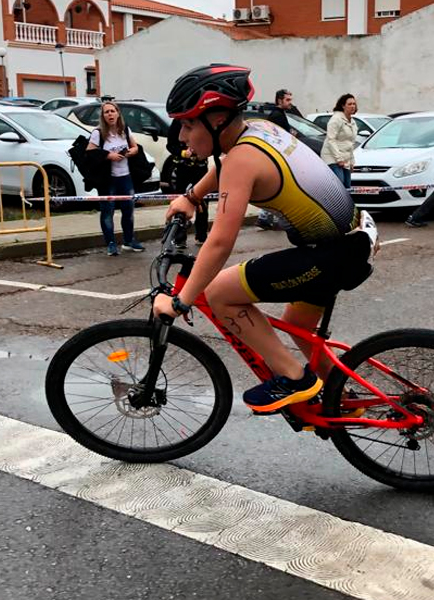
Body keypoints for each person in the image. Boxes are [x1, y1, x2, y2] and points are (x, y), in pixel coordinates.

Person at [153, 64, 376, 414]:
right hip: (353, 237)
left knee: (219, 294)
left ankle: (294, 378)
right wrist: (192, 196)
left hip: (332, 253)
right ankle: (341, 400)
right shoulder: (258, 128)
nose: (182, 135)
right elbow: (223, 166)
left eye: (189, 124)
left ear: (218, 119)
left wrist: (181, 300)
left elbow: (219, 242)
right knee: (300, 327)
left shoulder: (243, 159)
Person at [86, 101, 145, 256]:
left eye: (112, 111)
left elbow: (135, 147)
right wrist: (108, 155)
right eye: (107, 112)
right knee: (107, 211)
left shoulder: (125, 130)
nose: (110, 114)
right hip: (108, 179)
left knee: (128, 210)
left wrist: (132, 151)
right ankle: (111, 243)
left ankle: (129, 240)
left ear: (118, 113)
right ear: (103, 116)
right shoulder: (98, 133)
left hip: (125, 176)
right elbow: (90, 152)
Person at [163, 118, 210, 242]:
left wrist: (203, 151)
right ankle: (179, 236)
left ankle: (201, 235)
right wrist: (183, 153)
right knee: (181, 200)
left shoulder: (203, 120)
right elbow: (170, 145)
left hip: (200, 168)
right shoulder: (178, 121)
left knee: (203, 202)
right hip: (183, 168)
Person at [320, 94, 359, 188]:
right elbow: (331, 140)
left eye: (354, 104)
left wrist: (351, 162)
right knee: (339, 185)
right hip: (332, 157)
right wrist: (339, 159)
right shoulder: (336, 119)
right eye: (349, 104)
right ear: (343, 106)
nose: (353, 106)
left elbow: (350, 143)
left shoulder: (352, 122)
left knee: (347, 186)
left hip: (345, 159)